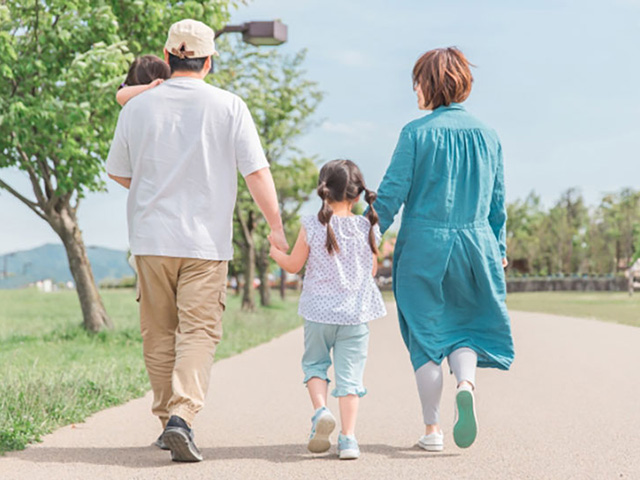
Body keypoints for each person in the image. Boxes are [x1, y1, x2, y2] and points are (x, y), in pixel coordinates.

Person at [106, 19, 288, 463]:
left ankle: (167, 418)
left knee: (158, 332)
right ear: (209, 61)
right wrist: (277, 227)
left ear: (168, 59)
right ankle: (181, 417)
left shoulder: (137, 107)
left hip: (150, 238)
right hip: (205, 243)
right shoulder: (229, 106)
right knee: (199, 331)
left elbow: (118, 171)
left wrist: (155, 187)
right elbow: (256, 173)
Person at [372, 47, 514, 452]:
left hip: (424, 246)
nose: (414, 89)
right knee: (464, 327)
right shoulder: (489, 135)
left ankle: (432, 431)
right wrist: (498, 248)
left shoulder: (416, 133)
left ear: (429, 85)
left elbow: (390, 196)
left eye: (417, 81)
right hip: (477, 244)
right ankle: (465, 385)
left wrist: (366, 238)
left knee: (426, 338)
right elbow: (496, 202)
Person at [269, 159, 387, 460]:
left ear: (323, 192)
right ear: (357, 195)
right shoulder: (367, 226)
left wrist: (274, 253)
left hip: (318, 313)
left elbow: (294, 266)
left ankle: (321, 411)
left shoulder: (311, 225)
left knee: (314, 366)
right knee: (350, 379)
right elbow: (371, 271)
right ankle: (348, 439)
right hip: (354, 315)